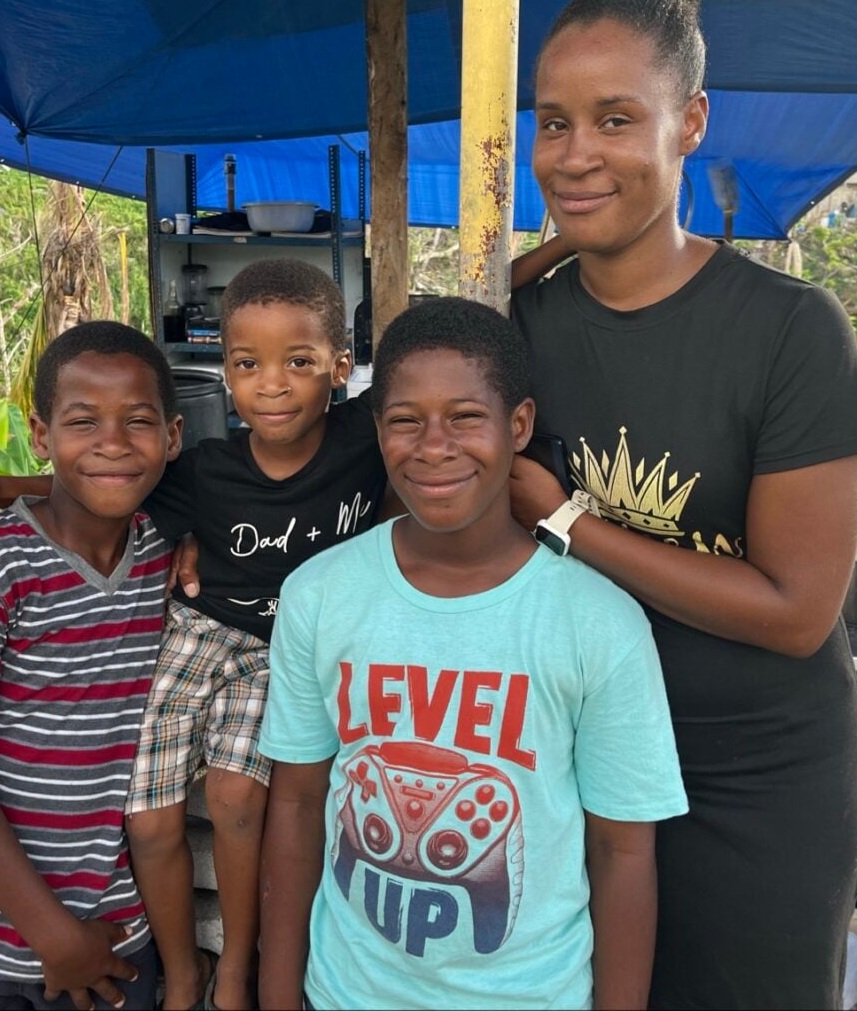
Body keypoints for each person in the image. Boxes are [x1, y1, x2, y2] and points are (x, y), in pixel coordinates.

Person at [508, 0, 857, 1008]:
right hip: (572, 766)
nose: (575, 154)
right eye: (553, 121)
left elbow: (796, 612)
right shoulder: (522, 327)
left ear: (693, 123)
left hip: (758, 782)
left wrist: (570, 521)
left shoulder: (787, 331)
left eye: (617, 119)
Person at [0, 260, 389, 1010]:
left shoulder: (367, 440)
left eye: (299, 363)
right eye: (248, 365)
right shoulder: (203, 471)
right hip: (202, 635)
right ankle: (184, 972)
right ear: (226, 374)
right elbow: (100, 476)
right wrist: (6, 486)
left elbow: (447, 389)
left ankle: (235, 968)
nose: (273, 384)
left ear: (341, 369)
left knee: (239, 794)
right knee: (147, 815)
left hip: (289, 654)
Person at [257, 297, 687, 1011]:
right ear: (377, 429)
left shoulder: (598, 623)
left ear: (517, 425)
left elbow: (623, 852)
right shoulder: (320, 595)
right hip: (345, 993)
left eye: (465, 417)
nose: (433, 446)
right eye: (405, 421)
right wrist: (278, 996)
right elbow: (298, 805)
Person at [0, 321, 181, 1011]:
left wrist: (81, 941)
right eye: (83, 422)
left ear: (173, 436)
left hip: (111, 932)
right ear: (42, 435)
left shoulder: (163, 555)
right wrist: (53, 936)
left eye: (137, 421)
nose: (113, 442)